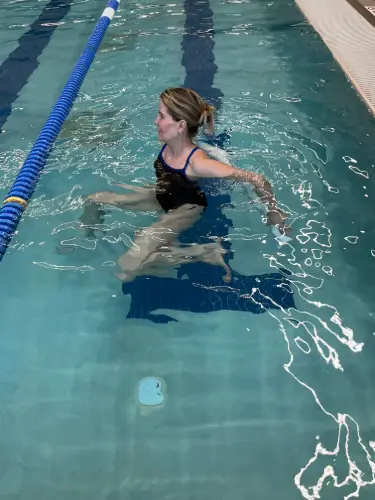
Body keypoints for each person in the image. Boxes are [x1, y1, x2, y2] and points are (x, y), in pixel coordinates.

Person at [79, 87, 290, 283]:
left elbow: (257, 179)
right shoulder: (167, 140)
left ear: (180, 126)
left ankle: (205, 251)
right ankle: (87, 238)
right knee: (95, 199)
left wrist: (274, 211)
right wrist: (209, 122)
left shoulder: (198, 163)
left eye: (161, 116)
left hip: (185, 209)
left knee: (127, 268)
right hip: (163, 194)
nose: (155, 121)